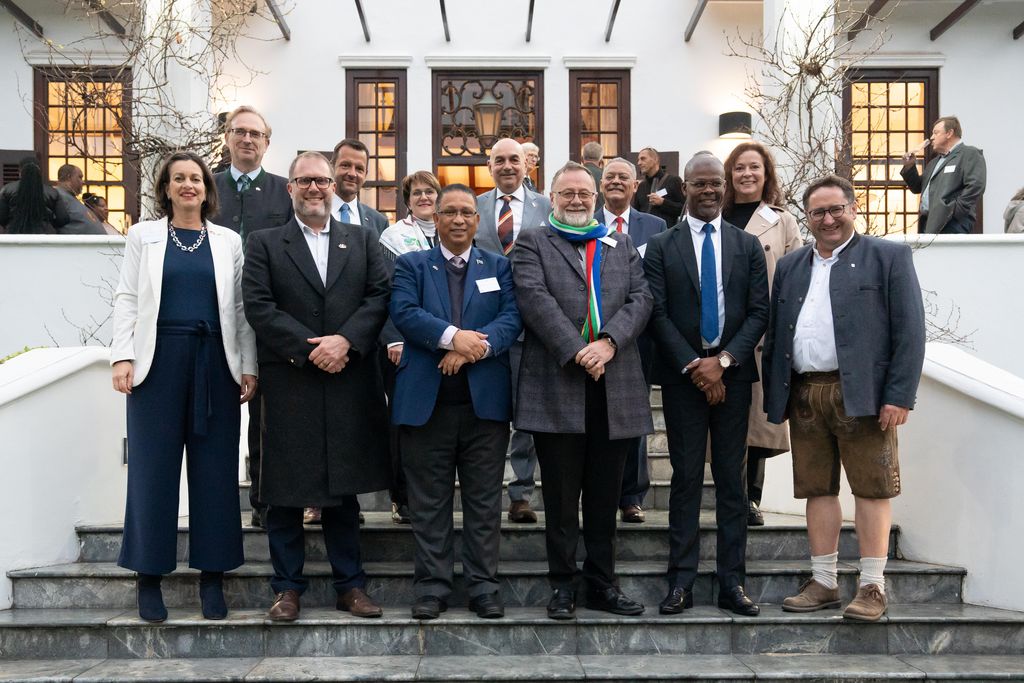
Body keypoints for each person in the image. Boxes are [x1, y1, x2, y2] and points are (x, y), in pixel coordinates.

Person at [764, 174, 926, 623]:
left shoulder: (887, 257)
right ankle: (825, 582)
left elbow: (910, 332)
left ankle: (872, 586)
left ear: (853, 209)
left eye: (837, 209)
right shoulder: (794, 265)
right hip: (806, 393)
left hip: (865, 396)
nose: (828, 219)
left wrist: (899, 395)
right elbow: (779, 333)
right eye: (818, 212)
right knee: (816, 489)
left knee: (871, 490)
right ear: (808, 218)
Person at [242, 151, 391, 622]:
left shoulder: (364, 240)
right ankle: (286, 588)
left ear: (334, 187)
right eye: (304, 180)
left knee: (343, 491)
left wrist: (345, 341)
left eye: (321, 181)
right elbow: (259, 307)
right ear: (290, 188)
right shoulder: (265, 243)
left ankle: (351, 587)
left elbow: (380, 296)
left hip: (348, 378)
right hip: (291, 380)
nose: (314, 188)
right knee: (285, 491)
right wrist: (312, 349)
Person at [110, 151, 258, 623]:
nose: (188, 185)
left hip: (215, 362)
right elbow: (128, 296)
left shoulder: (228, 241)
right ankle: (148, 577)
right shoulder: (143, 236)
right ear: (167, 188)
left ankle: (213, 578)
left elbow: (239, 309)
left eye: (195, 178)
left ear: (207, 188)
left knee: (215, 473)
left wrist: (248, 365)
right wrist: (122, 356)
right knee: (152, 472)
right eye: (179, 179)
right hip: (158, 364)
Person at [513, 161, 653, 620]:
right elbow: (534, 299)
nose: (577, 200)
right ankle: (562, 586)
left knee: (603, 496)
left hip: (614, 387)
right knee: (559, 496)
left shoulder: (621, 243)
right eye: (567, 193)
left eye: (584, 193)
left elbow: (641, 298)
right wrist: (579, 351)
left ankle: (602, 584)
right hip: (559, 385)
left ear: (595, 198)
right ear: (551, 198)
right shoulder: (533, 242)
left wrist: (609, 343)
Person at [643, 153, 768, 617]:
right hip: (683, 379)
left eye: (716, 182)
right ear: (686, 188)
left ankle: (732, 584)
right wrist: (697, 365)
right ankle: (681, 583)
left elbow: (759, 311)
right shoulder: (661, 244)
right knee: (686, 479)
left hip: (734, 378)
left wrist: (724, 362)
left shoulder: (747, 245)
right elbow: (656, 312)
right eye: (700, 183)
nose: (710, 190)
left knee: (733, 483)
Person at [389, 184, 522, 620]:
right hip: (425, 404)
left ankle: (483, 587)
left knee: (484, 501)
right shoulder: (411, 265)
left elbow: (511, 318)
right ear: (437, 219)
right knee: (428, 503)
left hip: (484, 405)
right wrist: (452, 338)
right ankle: (432, 587)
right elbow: (405, 313)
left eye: (467, 212)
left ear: (478, 220)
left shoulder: (499, 267)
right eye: (450, 212)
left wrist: (471, 350)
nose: (460, 219)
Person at [209, 104, 293, 530]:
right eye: (239, 132)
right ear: (227, 137)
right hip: (213, 317)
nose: (246, 139)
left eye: (255, 134)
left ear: (266, 142)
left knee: (265, 419)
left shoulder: (285, 191)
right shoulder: (208, 188)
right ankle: (216, 504)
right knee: (214, 415)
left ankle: (263, 501)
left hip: (267, 321)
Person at [722, 141, 803, 527]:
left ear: (766, 173)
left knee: (756, 421)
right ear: (729, 174)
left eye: (754, 167)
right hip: (719, 332)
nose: (747, 174)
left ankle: (748, 498)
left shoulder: (782, 220)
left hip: (762, 334)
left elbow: (796, 278)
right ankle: (727, 491)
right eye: (739, 168)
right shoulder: (713, 214)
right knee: (722, 421)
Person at [475, 138, 551, 524]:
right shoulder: (475, 208)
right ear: (490, 166)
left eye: (514, 160)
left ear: (527, 166)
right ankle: (486, 491)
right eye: (499, 160)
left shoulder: (547, 208)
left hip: (535, 329)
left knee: (527, 416)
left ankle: (521, 493)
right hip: (486, 328)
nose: (507, 166)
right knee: (489, 415)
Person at [599, 157, 668, 523]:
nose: (615, 182)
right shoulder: (587, 222)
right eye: (609, 176)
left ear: (636, 185)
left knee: (633, 418)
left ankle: (631, 495)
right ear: (601, 184)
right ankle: (596, 491)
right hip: (591, 338)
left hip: (638, 338)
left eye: (623, 177)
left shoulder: (655, 225)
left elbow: (658, 281)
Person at [378, 170, 445, 524]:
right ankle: (401, 497)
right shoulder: (395, 237)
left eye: (430, 192)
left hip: (445, 345)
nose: (424, 197)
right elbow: (387, 293)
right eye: (416, 193)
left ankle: (432, 496)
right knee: (404, 423)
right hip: (404, 345)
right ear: (407, 201)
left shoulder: (452, 231)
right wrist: (395, 337)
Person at [900, 116, 986, 235]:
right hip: (929, 223)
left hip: (952, 224)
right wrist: (909, 167)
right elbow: (917, 187)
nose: (931, 137)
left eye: (936, 133)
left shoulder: (969, 153)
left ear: (949, 133)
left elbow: (976, 185)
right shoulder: (934, 162)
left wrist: (954, 210)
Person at [331, 138, 390, 235]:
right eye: (345, 165)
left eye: (359, 169)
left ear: (365, 174)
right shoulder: (314, 213)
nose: (352, 174)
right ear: (332, 167)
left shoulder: (379, 222)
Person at [0, 157, 69, 234]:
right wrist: (49, 224)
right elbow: (63, 218)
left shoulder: (7, 189)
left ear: (20, 172)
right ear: (39, 172)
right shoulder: (52, 192)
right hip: (45, 235)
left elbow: (1, 217)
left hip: (15, 234)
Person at [632, 147, 684, 228]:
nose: (639, 163)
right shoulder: (641, 186)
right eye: (638, 160)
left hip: (666, 235)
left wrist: (663, 203)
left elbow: (683, 209)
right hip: (645, 235)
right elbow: (635, 213)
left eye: (643, 159)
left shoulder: (673, 181)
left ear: (655, 159)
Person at [55, 164, 106, 234]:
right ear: (69, 177)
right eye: (80, 177)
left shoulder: (70, 197)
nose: (83, 182)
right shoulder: (57, 196)